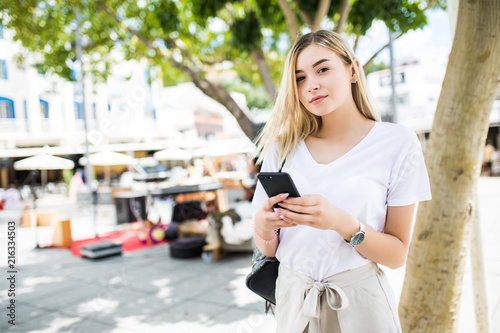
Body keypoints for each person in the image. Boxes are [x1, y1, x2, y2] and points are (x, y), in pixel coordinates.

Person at [251, 30, 431, 333]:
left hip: (360, 305)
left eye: (322, 69)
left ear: (353, 70)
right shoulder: (282, 148)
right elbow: (269, 250)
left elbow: (397, 255)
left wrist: (343, 223)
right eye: (300, 78)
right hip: (295, 303)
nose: (312, 85)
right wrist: (264, 227)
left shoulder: (397, 142)